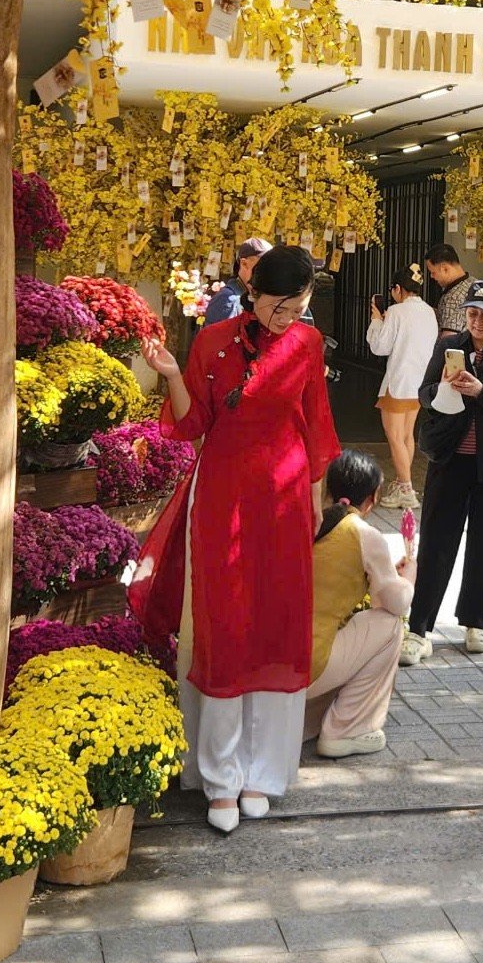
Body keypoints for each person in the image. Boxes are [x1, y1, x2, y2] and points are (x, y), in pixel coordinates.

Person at [136, 245, 341, 834]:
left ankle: (264, 773)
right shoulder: (212, 341)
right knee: (225, 627)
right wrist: (172, 375)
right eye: (281, 307)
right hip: (223, 494)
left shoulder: (306, 344)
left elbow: (319, 428)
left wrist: (315, 508)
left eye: (299, 308)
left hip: (283, 496)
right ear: (253, 293)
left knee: (275, 625)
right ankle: (219, 776)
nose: (289, 319)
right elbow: (191, 424)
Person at [401, 279, 483, 665]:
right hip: (450, 459)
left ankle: (478, 622)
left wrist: (480, 392)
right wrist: (440, 387)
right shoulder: (447, 347)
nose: (478, 322)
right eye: (472, 314)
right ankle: (418, 628)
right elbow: (423, 394)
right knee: (438, 543)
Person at [306, 451, 416, 757]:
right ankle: (347, 730)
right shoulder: (364, 534)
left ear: (328, 490)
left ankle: (306, 721)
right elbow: (397, 604)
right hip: (308, 665)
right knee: (389, 626)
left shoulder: (304, 522)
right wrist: (409, 577)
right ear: (373, 497)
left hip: (267, 663)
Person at [368, 263, 439, 509]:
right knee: (407, 435)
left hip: (399, 379)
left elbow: (380, 347)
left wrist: (377, 321)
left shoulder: (397, 312)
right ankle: (402, 482)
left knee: (395, 436)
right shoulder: (429, 311)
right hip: (420, 380)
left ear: (398, 289)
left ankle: (406, 489)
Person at [202, 237, 272, 327]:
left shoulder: (256, 295)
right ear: (244, 263)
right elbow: (217, 339)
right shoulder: (228, 298)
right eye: (263, 266)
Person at [425, 243, 472, 339]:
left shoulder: (453, 297)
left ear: (444, 268)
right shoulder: (473, 283)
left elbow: (449, 338)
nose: (432, 276)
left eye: (433, 272)